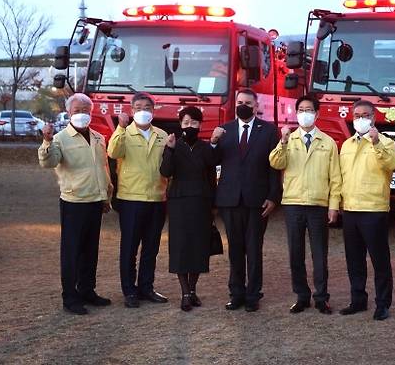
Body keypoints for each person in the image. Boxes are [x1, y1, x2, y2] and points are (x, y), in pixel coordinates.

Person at [38, 93, 112, 315]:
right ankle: (70, 297)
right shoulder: (60, 138)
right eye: (77, 110)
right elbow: (48, 162)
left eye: (85, 110)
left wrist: (106, 197)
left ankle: (87, 290)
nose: (82, 114)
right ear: (68, 113)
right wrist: (47, 141)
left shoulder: (99, 137)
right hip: (74, 202)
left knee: (90, 250)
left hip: (95, 201)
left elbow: (104, 168)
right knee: (72, 252)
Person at [210, 88, 281, 312]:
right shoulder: (224, 131)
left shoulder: (269, 131)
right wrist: (213, 142)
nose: (243, 105)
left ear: (256, 106)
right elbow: (212, 162)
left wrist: (273, 196)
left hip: (257, 201)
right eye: (240, 101)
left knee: (254, 248)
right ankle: (236, 293)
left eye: (248, 103)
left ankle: (253, 295)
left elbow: (274, 168)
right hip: (230, 200)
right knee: (235, 249)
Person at [269, 95, 342, 315]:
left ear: (317, 114)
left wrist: (334, 205)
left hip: (318, 204)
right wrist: (282, 141)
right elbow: (275, 162)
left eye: (309, 110)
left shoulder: (327, 142)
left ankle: (321, 297)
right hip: (293, 203)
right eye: (300, 110)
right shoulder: (288, 139)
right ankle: (301, 296)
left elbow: (336, 178)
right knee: (295, 253)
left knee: (319, 254)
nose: (304, 113)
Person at [107, 92, 169, 308]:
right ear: (132, 110)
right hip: (131, 198)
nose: (143, 111)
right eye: (138, 107)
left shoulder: (162, 135)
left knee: (151, 247)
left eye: (147, 107)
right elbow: (113, 152)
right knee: (130, 247)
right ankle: (129, 290)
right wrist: (120, 128)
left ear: (153, 110)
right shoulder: (123, 134)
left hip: (157, 198)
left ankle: (146, 287)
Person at [338, 99, 395, 321]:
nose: (361, 119)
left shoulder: (385, 143)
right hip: (350, 208)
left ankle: (382, 303)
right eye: (357, 115)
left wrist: (376, 143)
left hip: (374, 209)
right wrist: (337, 204)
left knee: (379, 259)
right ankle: (357, 299)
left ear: (374, 118)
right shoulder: (347, 145)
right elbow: (339, 177)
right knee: (354, 258)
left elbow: (390, 164)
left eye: (365, 115)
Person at [160, 106, 217, 312]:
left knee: (199, 247)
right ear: (180, 124)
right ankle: (184, 292)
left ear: (200, 125)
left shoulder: (205, 148)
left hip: (202, 201)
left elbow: (212, 175)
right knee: (181, 247)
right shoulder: (174, 145)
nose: (190, 126)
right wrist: (170, 149)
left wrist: (214, 203)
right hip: (179, 201)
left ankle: (192, 290)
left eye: (194, 123)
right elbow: (165, 171)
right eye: (185, 123)